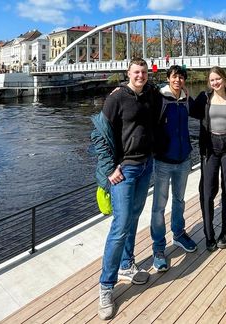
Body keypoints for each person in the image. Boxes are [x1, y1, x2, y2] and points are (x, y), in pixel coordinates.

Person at [91, 58, 159, 320]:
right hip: (124, 170)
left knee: (133, 217)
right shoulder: (117, 98)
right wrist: (110, 169)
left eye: (143, 72)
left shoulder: (151, 94)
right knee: (120, 225)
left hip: (146, 166)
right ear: (128, 74)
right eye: (136, 72)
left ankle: (126, 264)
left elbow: (168, 98)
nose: (140, 76)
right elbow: (98, 133)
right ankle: (106, 287)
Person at [150, 65, 198, 272]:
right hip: (163, 161)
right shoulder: (159, 98)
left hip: (184, 159)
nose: (177, 80)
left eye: (181, 77)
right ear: (168, 78)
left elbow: (204, 110)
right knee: (159, 206)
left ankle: (178, 234)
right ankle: (159, 248)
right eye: (174, 77)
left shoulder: (186, 99)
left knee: (179, 199)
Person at [194, 66, 226, 252]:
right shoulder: (204, 99)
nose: (215, 82)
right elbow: (183, 107)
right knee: (208, 191)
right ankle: (209, 233)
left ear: (225, 79)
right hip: (210, 147)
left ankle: (225, 230)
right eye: (212, 80)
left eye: (218, 79)